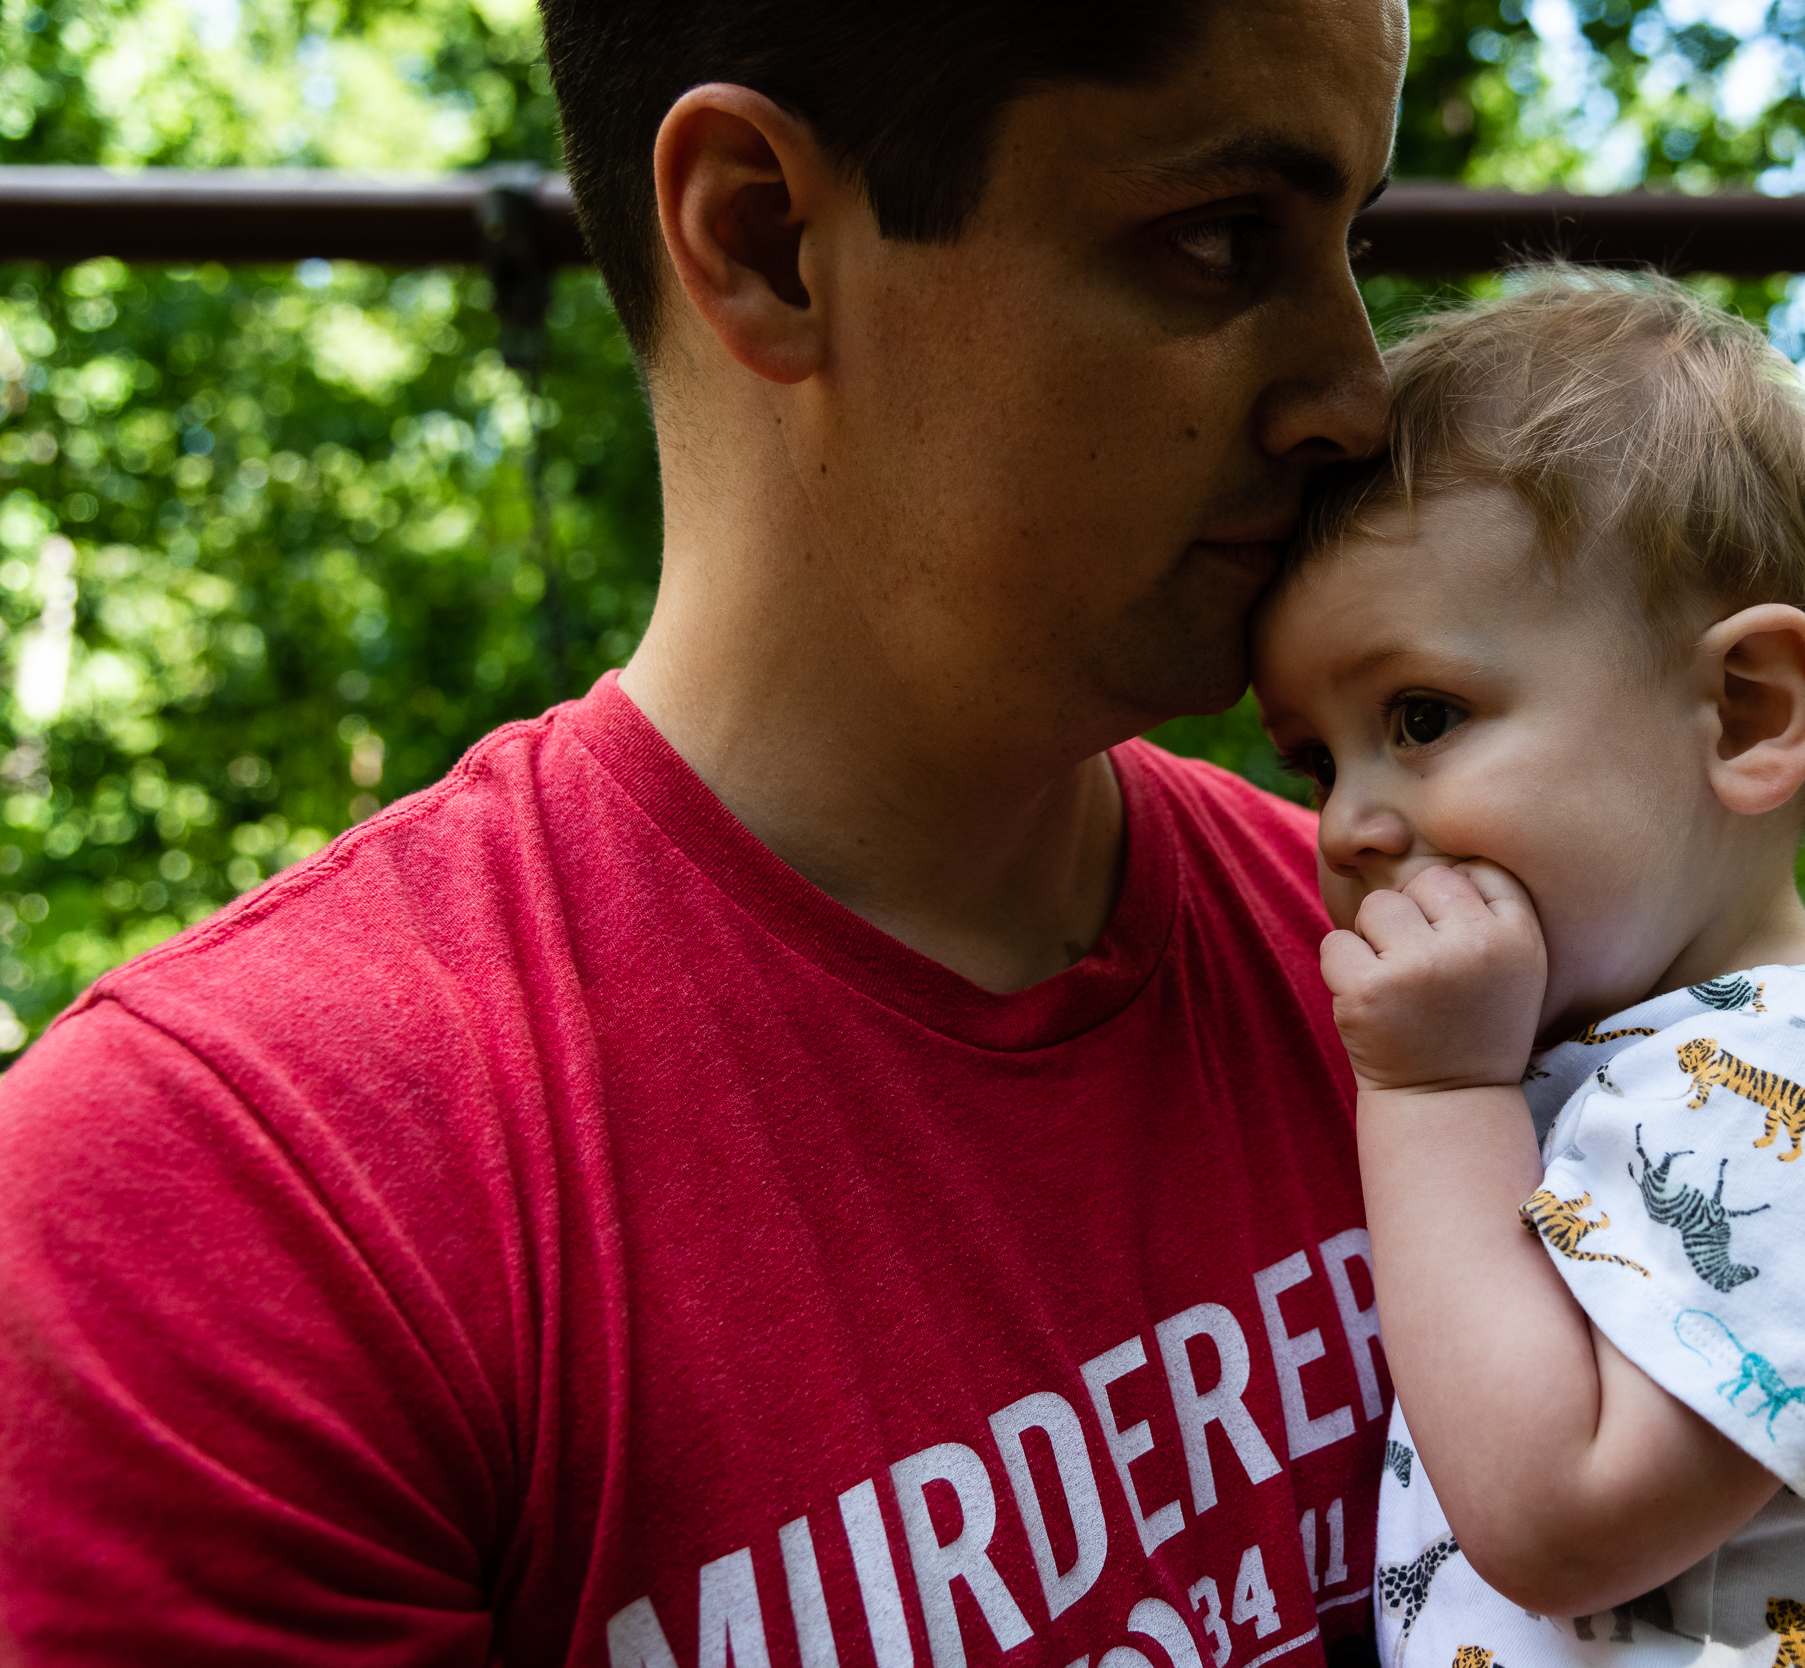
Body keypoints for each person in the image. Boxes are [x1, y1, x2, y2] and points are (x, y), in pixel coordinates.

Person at [0, 4, 1409, 1664]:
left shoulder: (1424, 959)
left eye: (1354, 240)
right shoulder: (230, 1205)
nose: (1358, 395)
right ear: (762, 237)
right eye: (1221, 239)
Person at [1250, 272, 1805, 1668]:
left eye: (1421, 717)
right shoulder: (1651, 1062)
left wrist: (1434, 1092)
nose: (1345, 825)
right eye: (1317, 757)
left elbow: (1558, 1521)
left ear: (1744, 713)